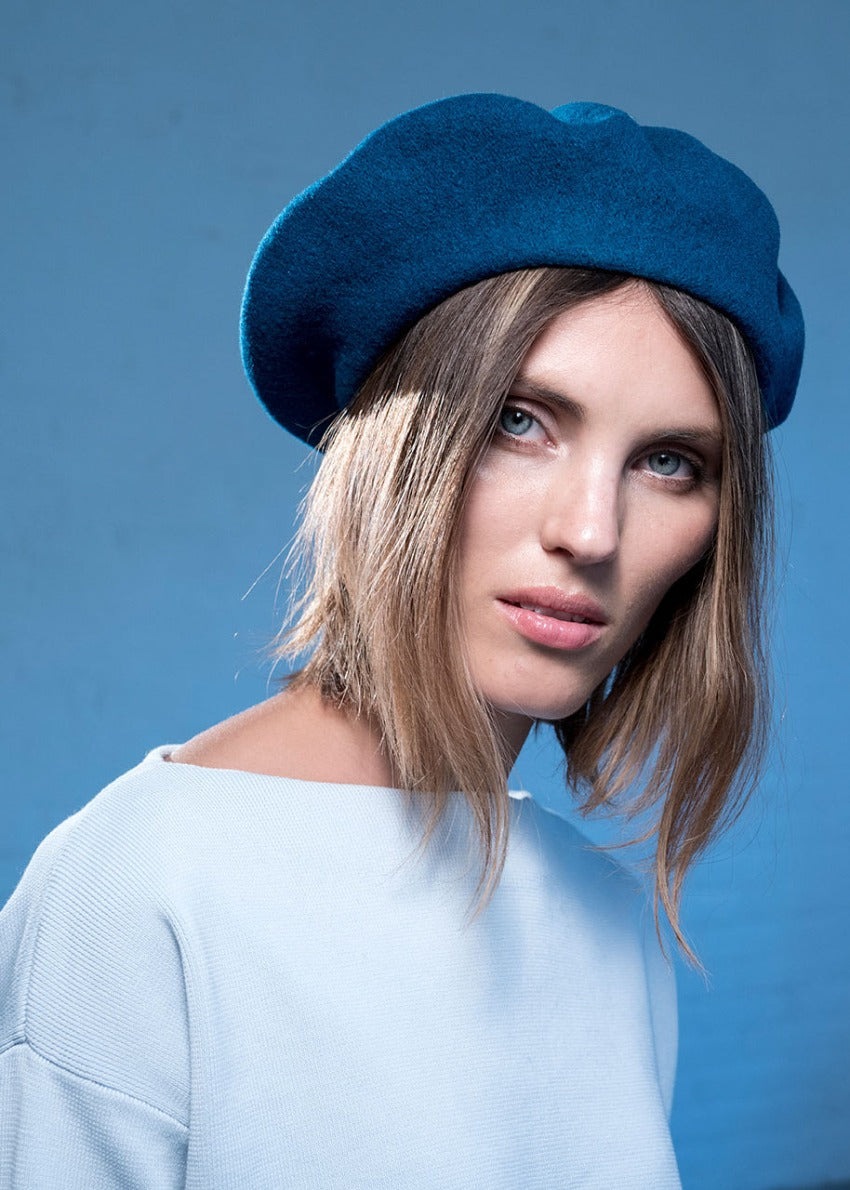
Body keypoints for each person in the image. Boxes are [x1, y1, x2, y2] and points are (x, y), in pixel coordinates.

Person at [0, 95, 803, 1188]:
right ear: (390, 448)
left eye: (669, 461)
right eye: (519, 420)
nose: (591, 532)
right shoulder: (139, 887)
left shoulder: (604, 920)